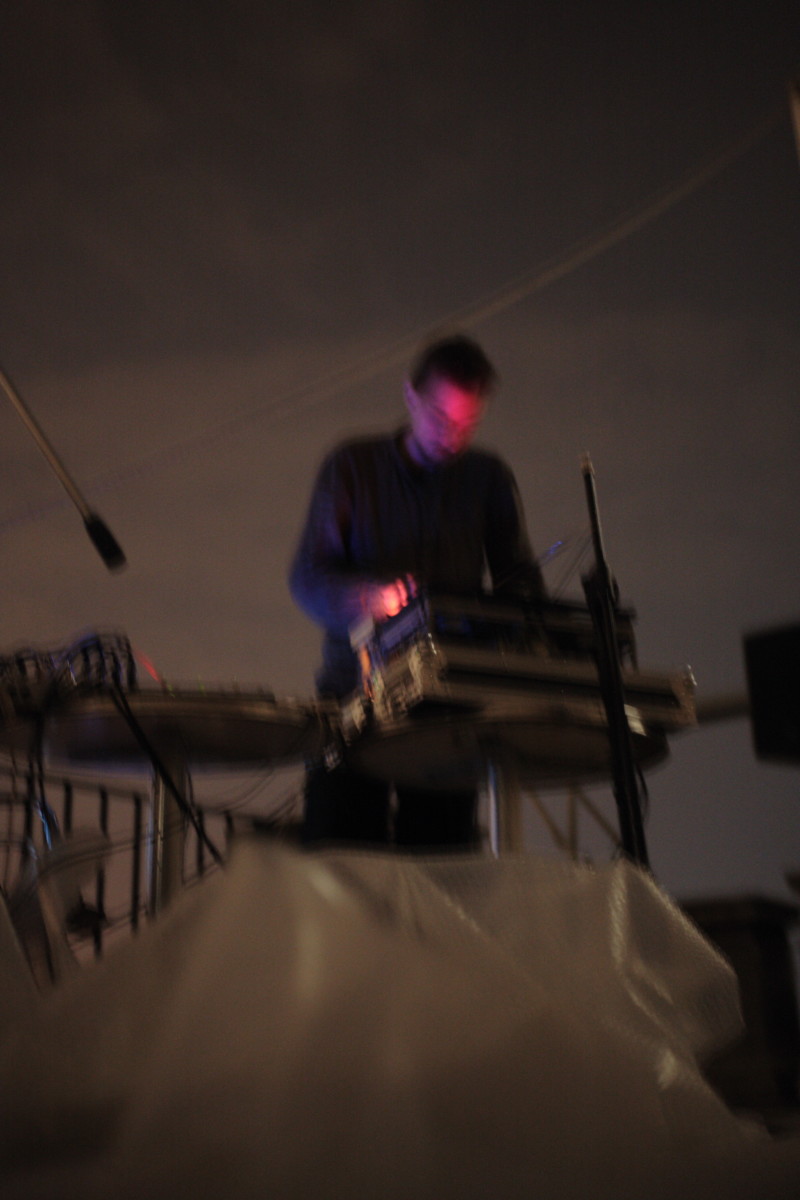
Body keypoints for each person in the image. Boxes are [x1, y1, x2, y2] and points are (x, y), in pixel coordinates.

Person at [289, 333, 544, 851]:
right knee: (341, 856)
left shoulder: (489, 479)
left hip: (448, 703)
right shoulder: (352, 467)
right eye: (442, 418)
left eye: (468, 424)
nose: (453, 437)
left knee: (441, 862)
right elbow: (307, 578)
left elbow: (521, 588)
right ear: (411, 396)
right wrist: (371, 598)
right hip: (352, 697)